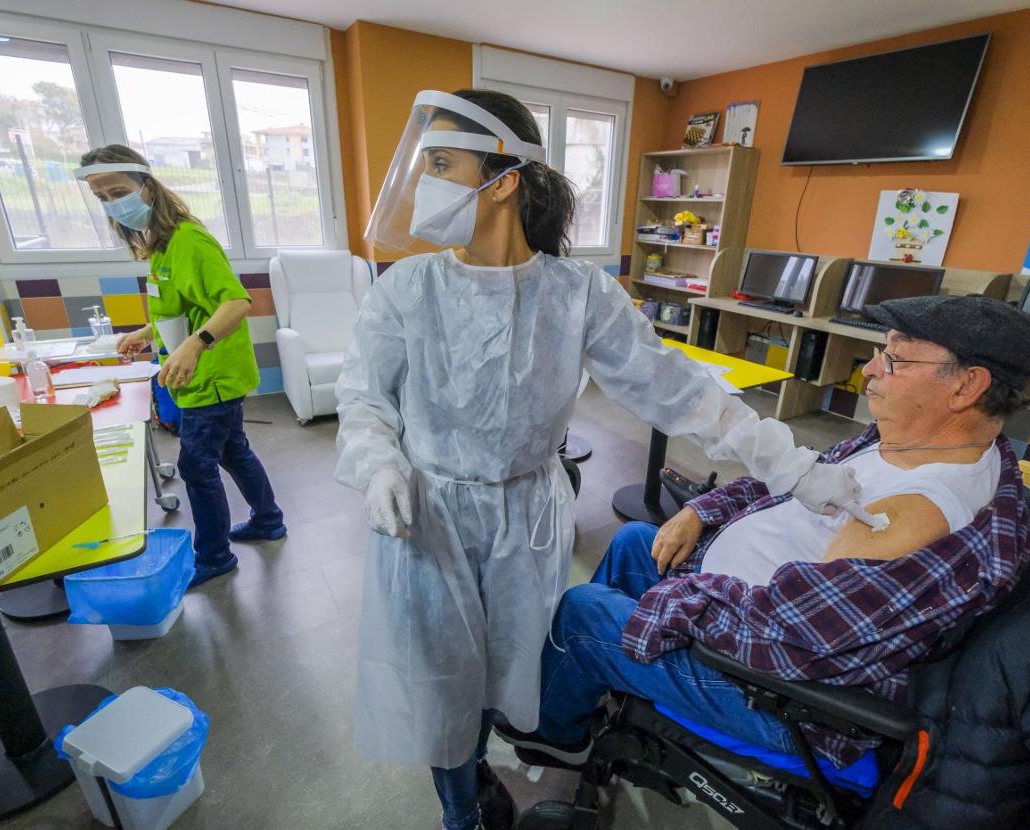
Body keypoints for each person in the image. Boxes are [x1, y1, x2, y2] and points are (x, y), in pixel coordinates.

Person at [334, 90, 860, 830]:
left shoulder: (578, 295)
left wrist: (793, 467)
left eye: (444, 165)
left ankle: (509, 752)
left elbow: (683, 393)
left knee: (514, 659)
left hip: (527, 515)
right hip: (429, 515)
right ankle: (463, 809)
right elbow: (362, 399)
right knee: (441, 677)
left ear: (504, 177)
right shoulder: (407, 291)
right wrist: (378, 463)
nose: (429, 185)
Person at [497, 294, 1030, 775]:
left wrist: (681, 601)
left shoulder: (922, 513)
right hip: (746, 612)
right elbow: (793, 485)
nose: (869, 369)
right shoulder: (899, 441)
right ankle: (592, 683)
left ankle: (557, 738)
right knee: (635, 541)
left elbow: (795, 641)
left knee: (583, 610)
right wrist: (702, 510)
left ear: (967, 386)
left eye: (893, 357)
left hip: (779, 694)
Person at [76, 145, 286, 589]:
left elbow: (236, 302)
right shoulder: (161, 245)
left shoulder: (190, 240)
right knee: (233, 450)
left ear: (148, 187)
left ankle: (213, 557)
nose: (113, 204)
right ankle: (268, 520)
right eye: (102, 197)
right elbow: (176, 310)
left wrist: (195, 344)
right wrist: (145, 333)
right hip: (200, 376)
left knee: (196, 466)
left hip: (213, 375)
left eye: (118, 191)